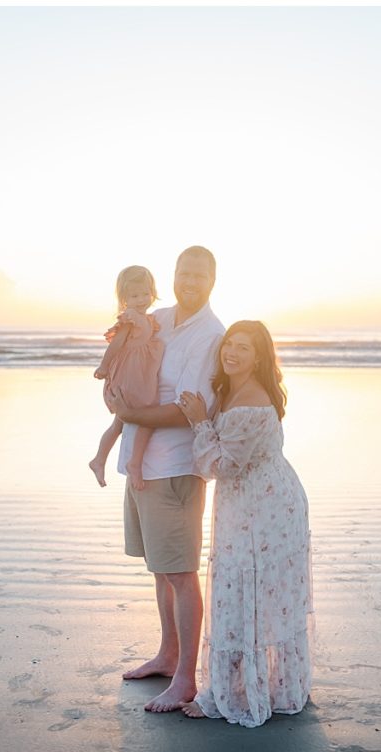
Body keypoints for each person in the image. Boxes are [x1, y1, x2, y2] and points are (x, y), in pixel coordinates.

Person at [176, 320, 313, 727]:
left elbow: (221, 466)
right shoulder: (231, 389)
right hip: (254, 501)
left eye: (245, 348)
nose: (232, 353)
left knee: (245, 593)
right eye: (229, 345)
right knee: (246, 593)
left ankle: (227, 694)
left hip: (264, 509)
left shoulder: (250, 402)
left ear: (260, 358)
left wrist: (199, 421)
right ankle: (247, 683)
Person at [106, 245, 224, 713]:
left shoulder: (210, 334)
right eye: (182, 273)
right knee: (159, 568)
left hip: (175, 467)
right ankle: (167, 653)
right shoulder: (160, 317)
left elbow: (188, 407)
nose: (188, 281)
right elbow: (132, 365)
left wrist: (127, 411)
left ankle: (185, 679)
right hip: (141, 464)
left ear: (212, 280)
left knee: (180, 573)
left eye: (198, 275)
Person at [89, 265, 164, 489]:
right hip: (130, 377)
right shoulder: (130, 318)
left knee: (119, 424)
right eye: (134, 295)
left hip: (137, 376)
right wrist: (103, 366)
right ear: (124, 298)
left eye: (145, 293)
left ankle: (99, 459)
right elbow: (116, 346)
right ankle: (135, 463)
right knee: (148, 415)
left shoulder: (148, 318)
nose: (141, 299)